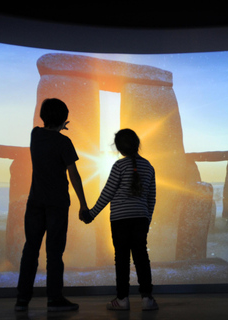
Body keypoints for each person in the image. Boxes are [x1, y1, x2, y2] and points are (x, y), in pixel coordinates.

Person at [15, 98, 88, 312]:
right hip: (57, 204)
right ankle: (54, 299)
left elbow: (46, 129)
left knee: (30, 249)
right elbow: (73, 174)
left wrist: (57, 125)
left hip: (35, 202)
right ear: (65, 119)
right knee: (54, 253)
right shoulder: (64, 142)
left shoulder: (35, 135)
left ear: (43, 116)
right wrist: (83, 204)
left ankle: (22, 300)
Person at [81, 128, 158, 311]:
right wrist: (147, 219)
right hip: (140, 219)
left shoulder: (118, 167)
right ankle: (147, 298)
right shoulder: (148, 166)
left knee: (121, 258)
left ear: (119, 148)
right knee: (141, 258)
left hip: (120, 220)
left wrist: (91, 214)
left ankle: (122, 299)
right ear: (137, 145)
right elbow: (151, 197)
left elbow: (107, 193)